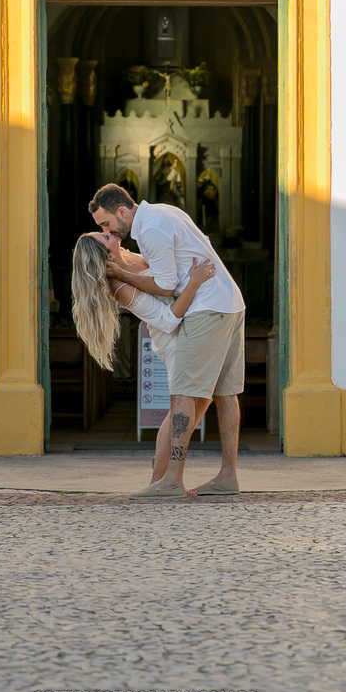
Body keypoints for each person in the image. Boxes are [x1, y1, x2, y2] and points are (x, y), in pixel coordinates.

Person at [89, 183, 246, 500]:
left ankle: (172, 480)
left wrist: (123, 273)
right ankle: (227, 476)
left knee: (182, 396)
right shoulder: (162, 213)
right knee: (226, 393)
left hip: (206, 309)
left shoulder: (151, 228)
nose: (108, 230)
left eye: (106, 224)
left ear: (121, 211)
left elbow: (165, 284)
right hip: (229, 302)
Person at [71, 231, 216, 490]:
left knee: (201, 402)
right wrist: (194, 282)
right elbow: (167, 319)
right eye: (102, 236)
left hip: (190, 329)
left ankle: (161, 473)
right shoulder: (119, 288)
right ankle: (159, 481)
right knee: (180, 411)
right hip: (173, 339)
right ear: (106, 256)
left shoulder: (129, 253)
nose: (107, 231)